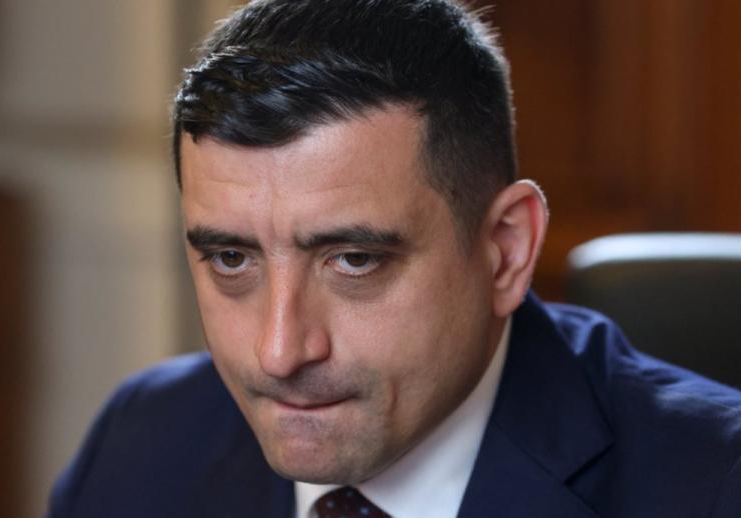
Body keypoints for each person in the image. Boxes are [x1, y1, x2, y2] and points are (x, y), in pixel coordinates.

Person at [48, 1, 741, 516]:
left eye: (354, 260)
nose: (279, 352)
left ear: (505, 250)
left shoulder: (717, 486)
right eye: (232, 258)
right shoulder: (143, 442)